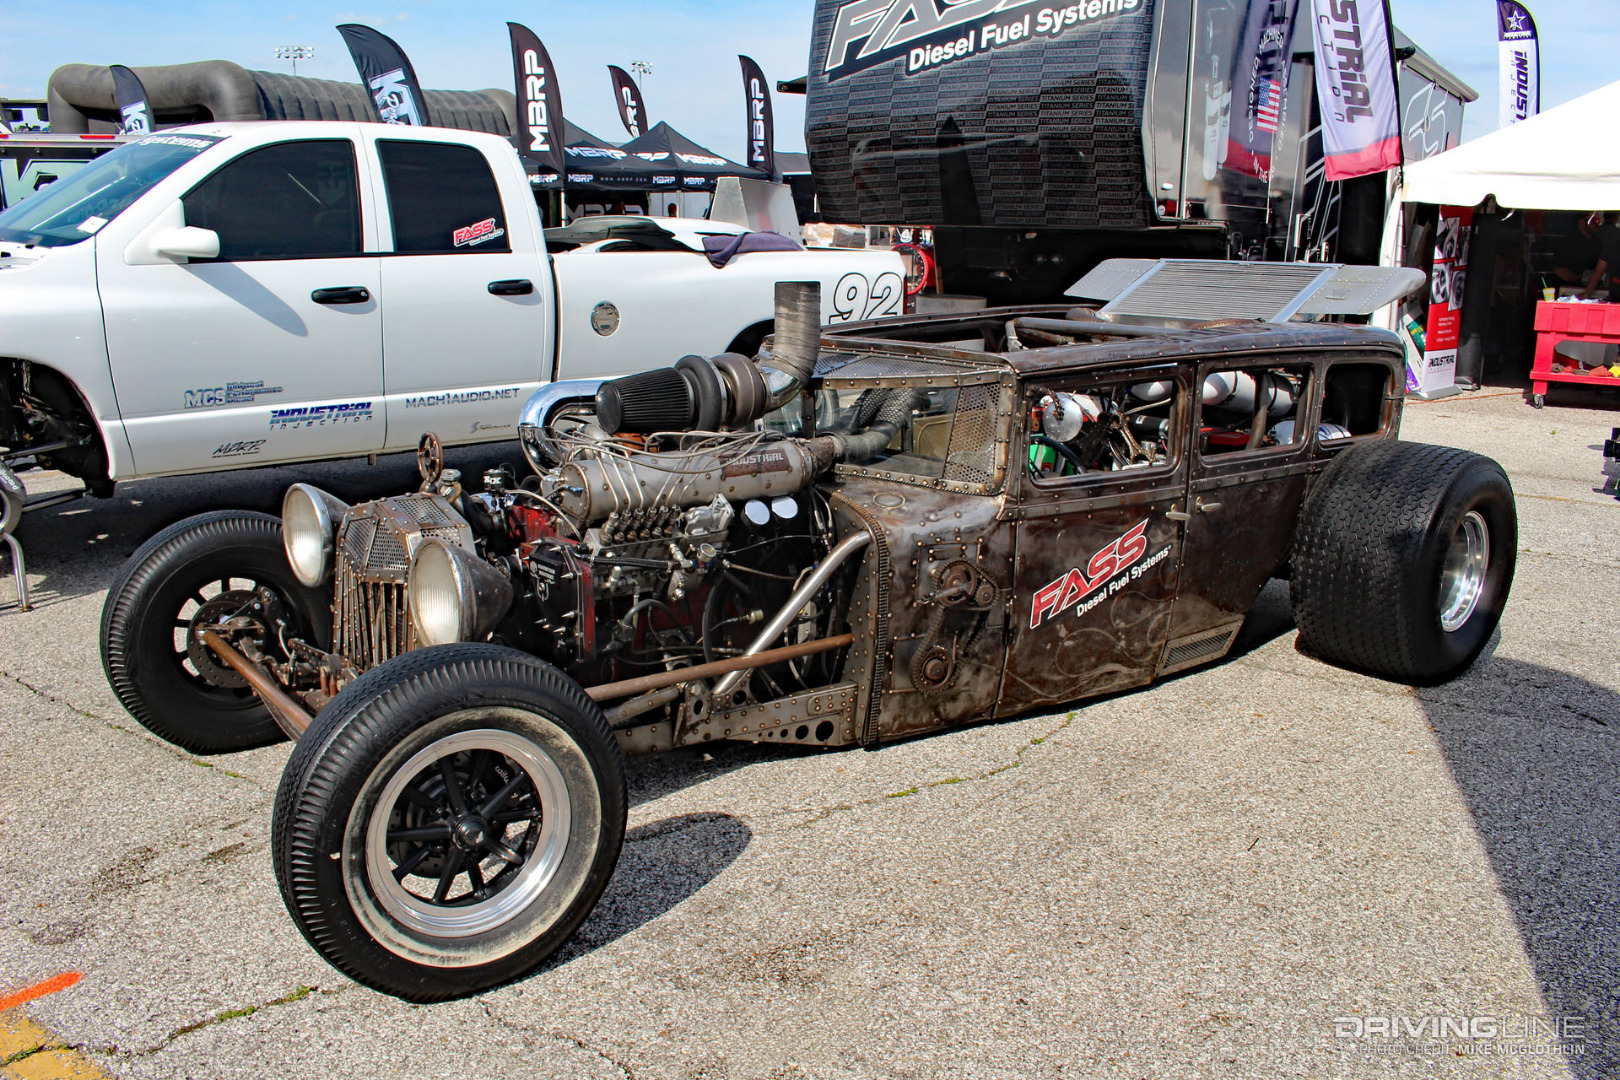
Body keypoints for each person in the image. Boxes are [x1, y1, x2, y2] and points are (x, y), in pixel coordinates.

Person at [1551, 212, 1601, 285]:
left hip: (1592, 289)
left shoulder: (1597, 242)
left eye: (1598, 221)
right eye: (1593, 221)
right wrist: (1580, 280)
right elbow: (1559, 270)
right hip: (1572, 289)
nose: (1596, 224)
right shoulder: (1567, 243)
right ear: (1581, 222)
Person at [1581, 212, 1620, 299]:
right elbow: (1597, 273)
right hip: (1615, 296)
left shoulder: (1609, 242)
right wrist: (1586, 294)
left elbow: (1597, 273)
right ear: (1616, 218)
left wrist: (1586, 294)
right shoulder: (1613, 244)